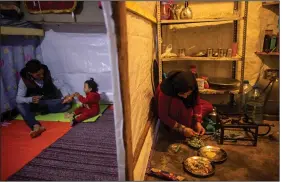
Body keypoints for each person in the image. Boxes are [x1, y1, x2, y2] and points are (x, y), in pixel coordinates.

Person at [16, 59, 73, 138]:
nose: (41, 76)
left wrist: (67, 96)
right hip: (36, 104)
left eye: (42, 73)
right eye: (38, 75)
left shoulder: (46, 73)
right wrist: (30, 99)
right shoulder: (24, 80)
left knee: (68, 103)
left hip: (48, 101)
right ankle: (36, 126)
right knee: (19, 105)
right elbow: (18, 98)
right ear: (30, 73)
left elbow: (61, 85)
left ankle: (42, 111)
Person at [155, 70, 213, 137]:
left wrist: (198, 122)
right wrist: (182, 129)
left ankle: (190, 122)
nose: (185, 97)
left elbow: (197, 103)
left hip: (184, 106)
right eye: (182, 94)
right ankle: (186, 124)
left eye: (188, 94)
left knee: (208, 106)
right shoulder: (166, 91)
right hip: (173, 106)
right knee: (185, 115)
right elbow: (163, 115)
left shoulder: (192, 86)